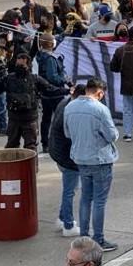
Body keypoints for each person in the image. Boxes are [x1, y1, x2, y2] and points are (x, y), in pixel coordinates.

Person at [65, 77, 121, 251]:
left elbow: (67, 133)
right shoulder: (100, 109)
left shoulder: (70, 107)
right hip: (100, 159)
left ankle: (84, 237)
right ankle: (99, 239)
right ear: (100, 92)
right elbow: (111, 136)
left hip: (80, 158)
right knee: (99, 201)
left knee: (85, 199)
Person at [0, 53, 51, 150]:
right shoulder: (9, 78)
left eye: (22, 65)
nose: (20, 68)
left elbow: (50, 89)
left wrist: (67, 90)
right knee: (12, 147)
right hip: (14, 119)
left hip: (30, 119)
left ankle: (32, 166)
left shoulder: (34, 79)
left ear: (28, 66)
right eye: (18, 65)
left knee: (31, 148)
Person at [50, 84, 84, 237]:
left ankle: (62, 218)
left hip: (59, 152)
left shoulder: (65, 103)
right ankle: (68, 225)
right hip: (67, 156)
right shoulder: (72, 110)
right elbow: (71, 136)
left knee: (70, 188)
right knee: (70, 190)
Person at [36, 33, 69, 152]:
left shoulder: (40, 56)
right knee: (61, 118)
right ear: (50, 44)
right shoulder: (50, 59)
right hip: (56, 93)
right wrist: (64, 80)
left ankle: (45, 143)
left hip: (45, 93)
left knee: (46, 119)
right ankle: (62, 142)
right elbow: (53, 77)